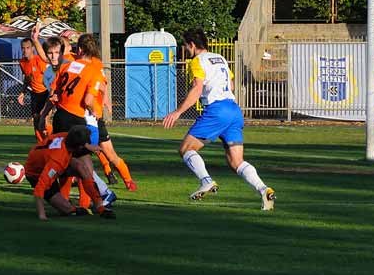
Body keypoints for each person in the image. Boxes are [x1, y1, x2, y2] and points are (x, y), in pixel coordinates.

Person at [162, 28, 275, 210]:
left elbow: (197, 88)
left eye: (185, 45)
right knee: (236, 161)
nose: (185, 49)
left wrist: (178, 112)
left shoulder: (197, 61)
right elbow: (230, 84)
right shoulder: (220, 58)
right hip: (234, 110)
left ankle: (206, 181)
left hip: (217, 111)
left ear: (192, 45)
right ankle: (264, 190)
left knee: (186, 149)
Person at [39, 33, 116, 209]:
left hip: (60, 117)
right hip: (76, 120)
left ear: (79, 49)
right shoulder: (94, 71)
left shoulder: (68, 66)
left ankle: (82, 199)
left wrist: (43, 117)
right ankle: (102, 194)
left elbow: (54, 96)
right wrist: (94, 111)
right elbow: (88, 101)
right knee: (81, 161)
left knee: (66, 161)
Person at [25, 125, 114, 221]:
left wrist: (89, 146)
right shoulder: (57, 162)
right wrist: (42, 215)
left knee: (82, 167)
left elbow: (78, 144)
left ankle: (100, 207)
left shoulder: (66, 136)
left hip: (47, 159)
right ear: (79, 146)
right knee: (67, 210)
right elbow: (39, 188)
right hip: (36, 174)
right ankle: (73, 207)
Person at [84, 50, 138, 191]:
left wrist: (105, 99)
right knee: (91, 151)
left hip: (92, 116)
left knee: (103, 153)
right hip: (89, 115)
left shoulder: (93, 64)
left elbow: (102, 85)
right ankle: (115, 176)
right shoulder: (77, 62)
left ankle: (127, 180)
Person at [17, 36, 49, 142]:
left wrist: (52, 94)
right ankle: (40, 143)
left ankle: (50, 141)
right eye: (23, 48)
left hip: (46, 92)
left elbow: (50, 77)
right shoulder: (22, 62)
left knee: (44, 119)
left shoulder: (39, 60)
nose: (25, 50)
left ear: (33, 49)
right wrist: (22, 92)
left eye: (27, 48)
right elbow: (27, 77)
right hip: (35, 94)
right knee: (36, 119)